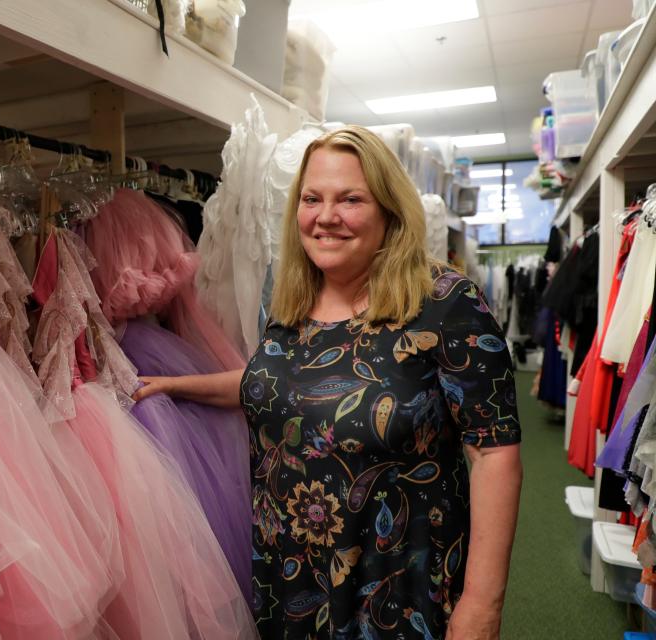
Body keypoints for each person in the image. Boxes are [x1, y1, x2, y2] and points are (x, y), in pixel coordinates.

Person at [135, 126, 522, 640]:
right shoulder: (295, 301)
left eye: (350, 199)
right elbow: (279, 388)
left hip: (394, 589)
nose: (326, 216)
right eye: (312, 198)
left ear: (389, 208)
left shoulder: (445, 303)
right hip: (289, 577)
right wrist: (176, 385)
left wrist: (482, 604)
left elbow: (494, 454)